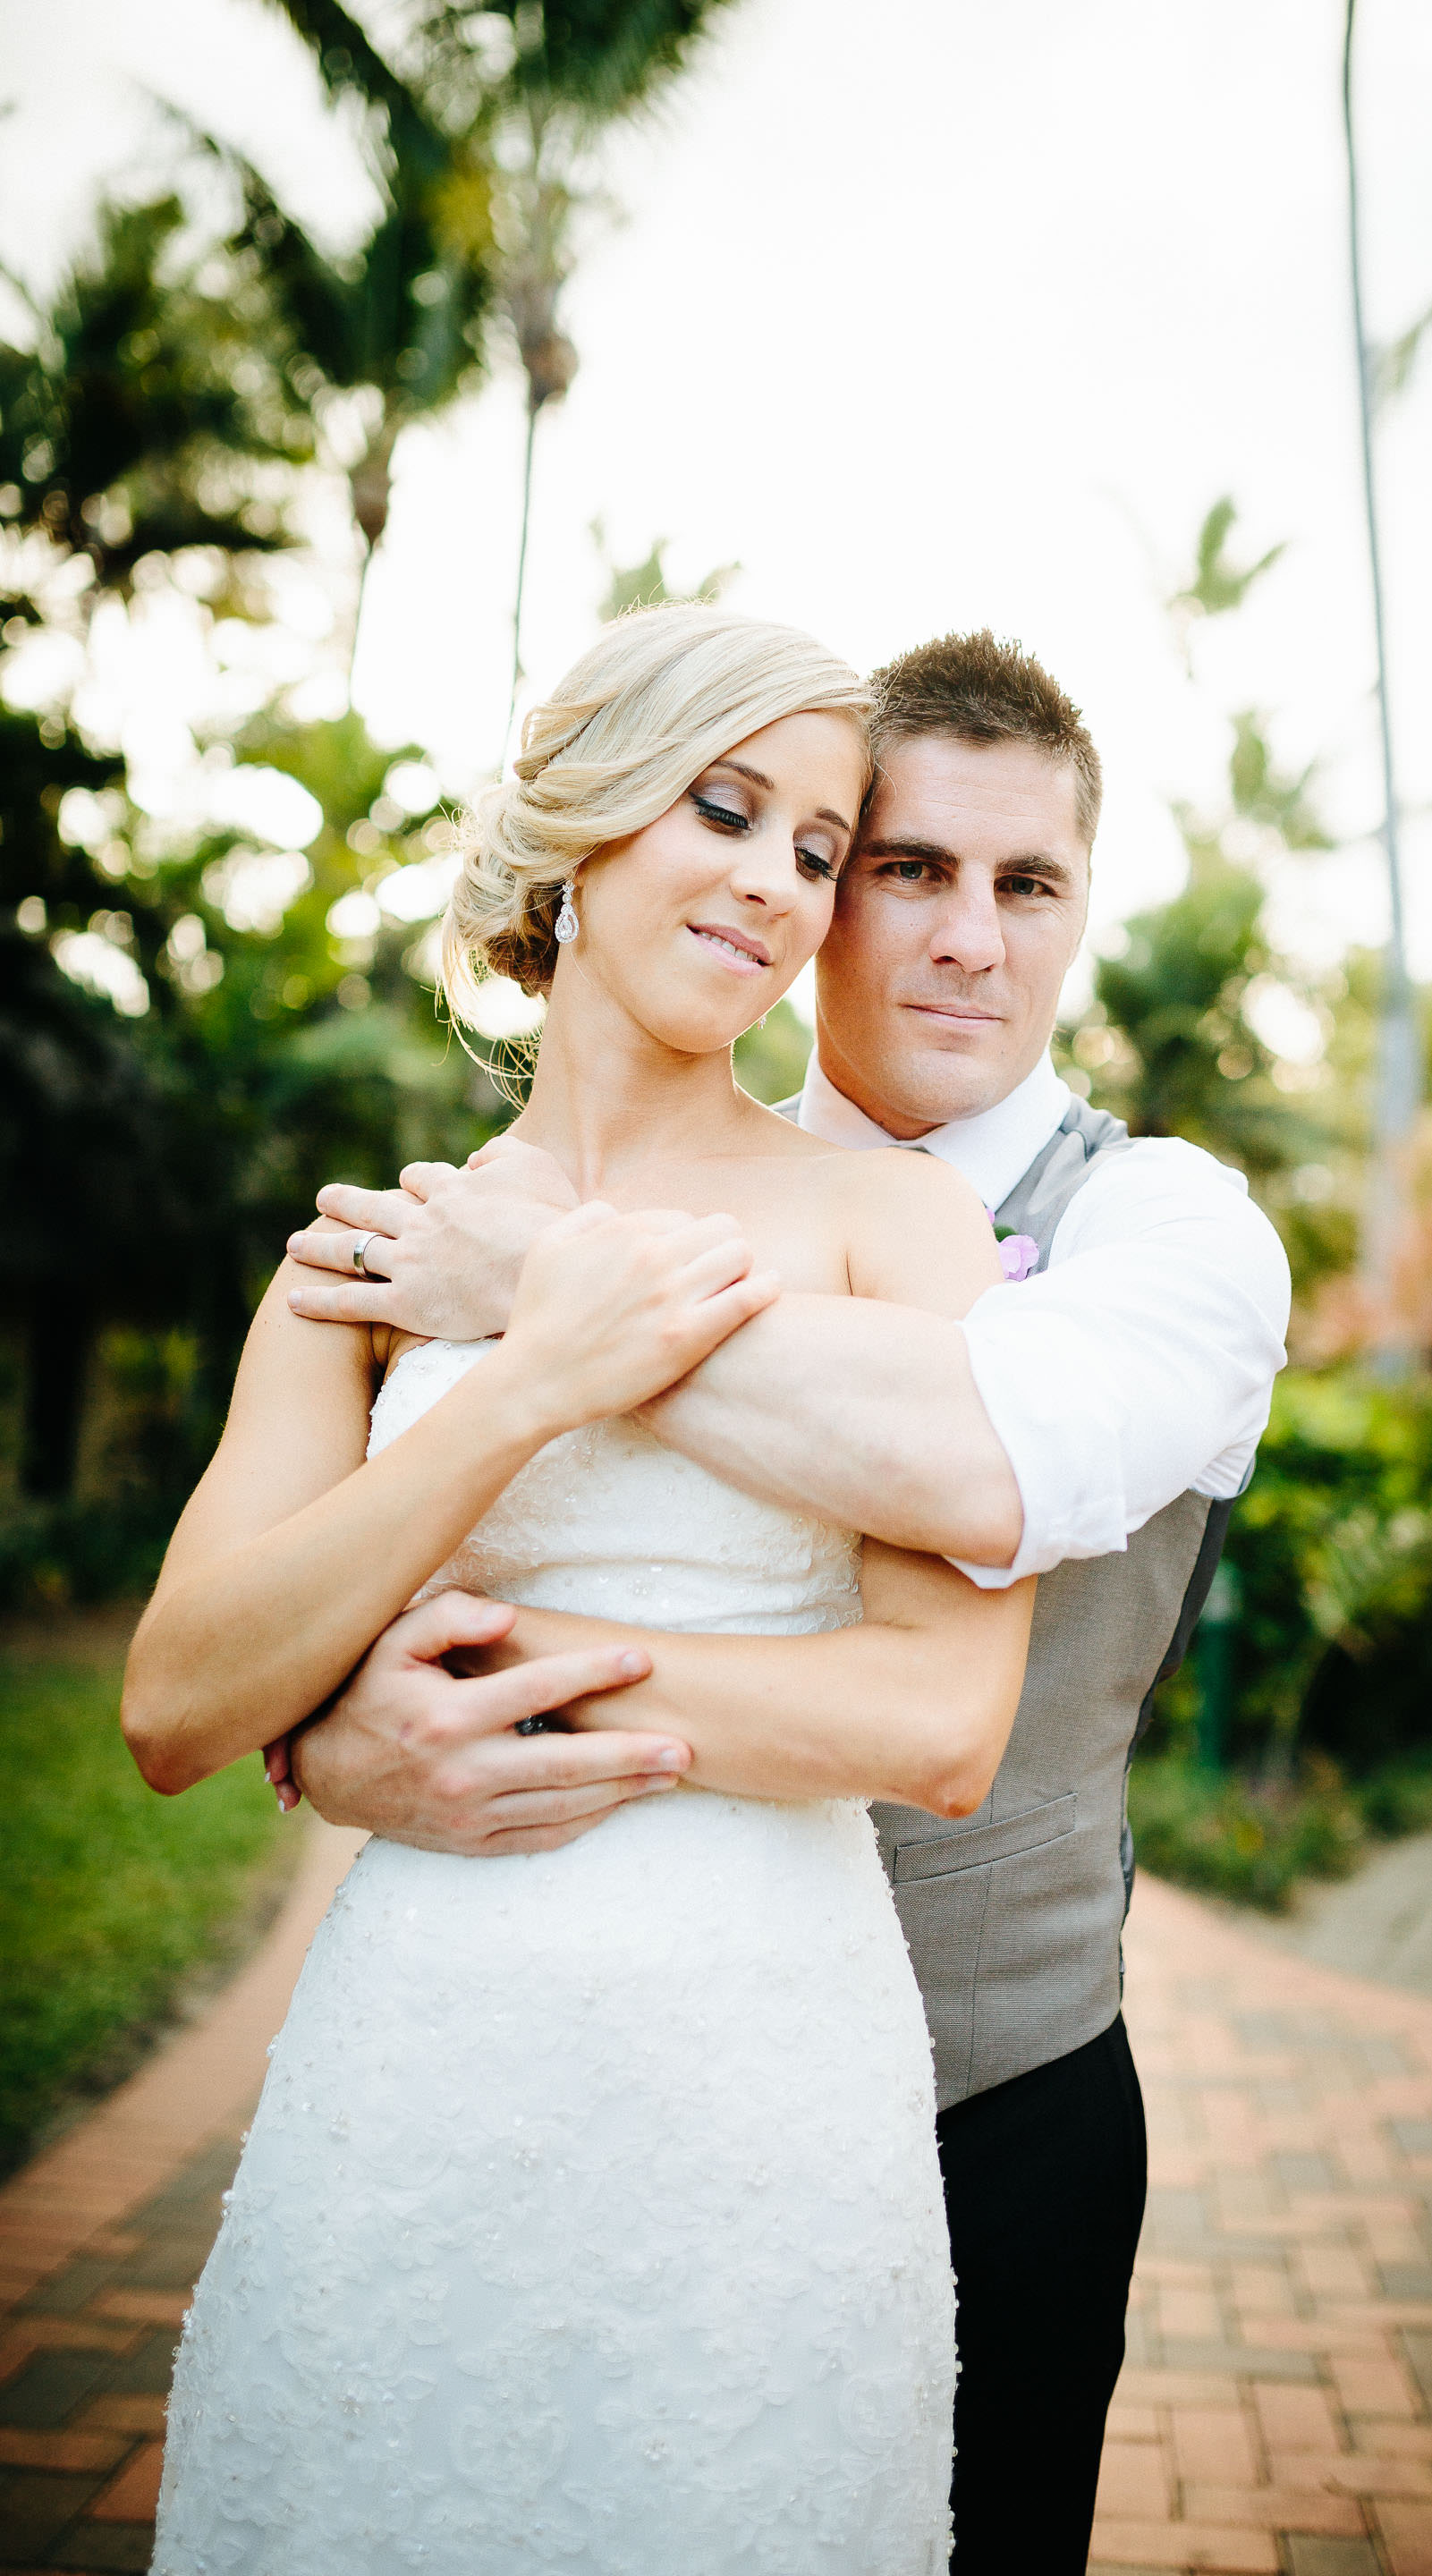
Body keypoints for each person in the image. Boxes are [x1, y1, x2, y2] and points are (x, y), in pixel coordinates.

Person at [282, 630, 1292, 2573]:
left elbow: (988, 1463)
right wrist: (323, 1728)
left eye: (1029, 885)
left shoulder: (1169, 1225)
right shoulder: (596, 1181)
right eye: (904, 867)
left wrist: (564, 1297)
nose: (966, 940)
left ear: (1081, 916)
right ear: (822, 899)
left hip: (999, 2111)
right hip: (577, 2068)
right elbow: (282, 1600)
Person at [125, 606, 1045, 2576]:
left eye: (817, 849)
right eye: (728, 811)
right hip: (427, 2056)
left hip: (764, 2069)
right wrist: (527, 1380)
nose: (779, 888)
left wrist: (490, 1674)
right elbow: (179, 1700)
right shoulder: (386, 1249)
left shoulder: (897, 1221)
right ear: (584, 818)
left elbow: (935, 1723)